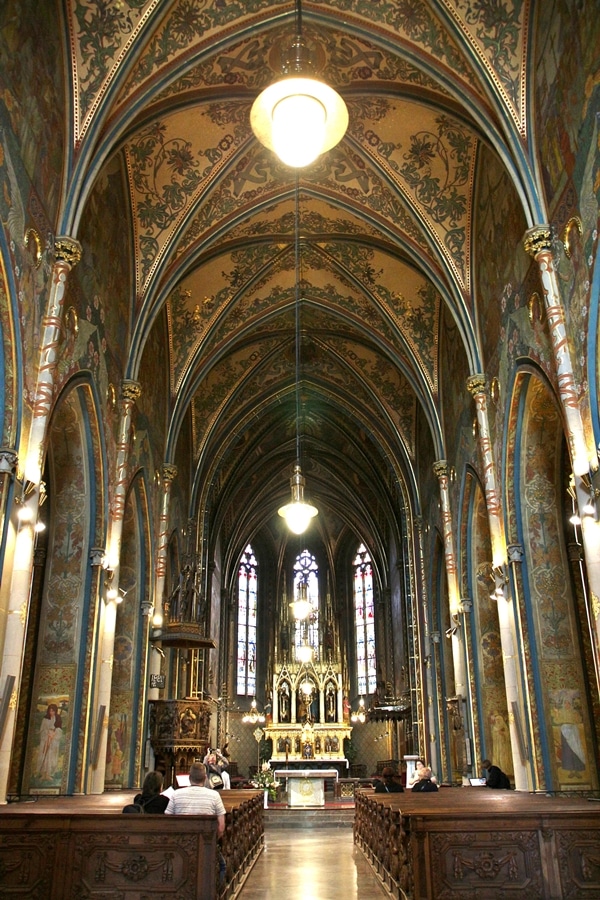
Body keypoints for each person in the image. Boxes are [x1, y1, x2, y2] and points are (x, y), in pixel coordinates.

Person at [165, 762, 226, 836]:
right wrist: (212, 842)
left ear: (189, 777)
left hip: (181, 841)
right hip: (206, 841)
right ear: (205, 778)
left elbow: (167, 822)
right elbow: (221, 826)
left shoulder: (176, 794)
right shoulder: (214, 795)